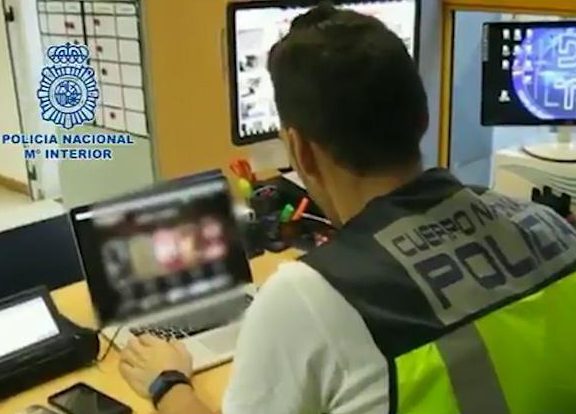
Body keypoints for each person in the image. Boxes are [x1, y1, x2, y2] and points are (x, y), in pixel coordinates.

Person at [118, 4, 576, 414]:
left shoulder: (309, 298)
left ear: (300, 150)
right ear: (421, 118)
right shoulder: (549, 225)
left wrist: (168, 384)